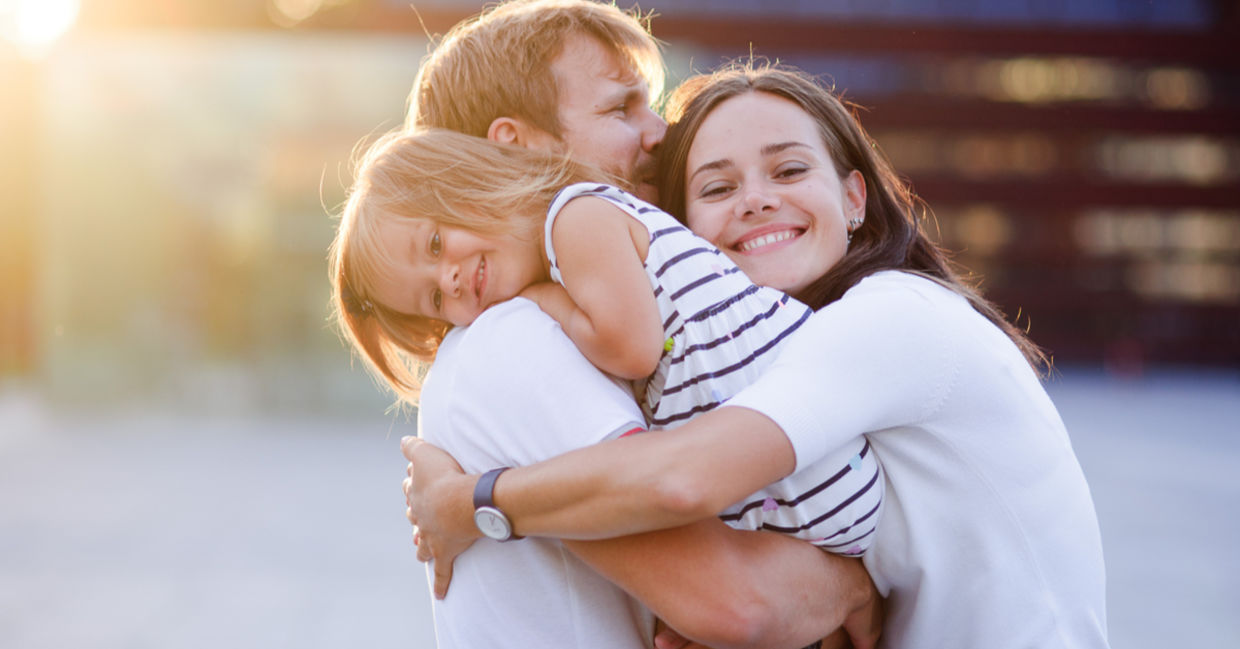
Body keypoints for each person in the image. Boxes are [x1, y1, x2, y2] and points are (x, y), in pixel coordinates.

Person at [403, 63, 1111, 649]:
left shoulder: (893, 316)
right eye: (715, 187)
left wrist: (468, 501)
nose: (756, 201)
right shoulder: (770, 349)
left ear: (854, 196)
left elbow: (682, 481)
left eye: (790, 169)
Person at [352, 1, 885, 647]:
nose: (659, 133)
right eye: (620, 109)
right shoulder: (516, 340)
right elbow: (741, 601)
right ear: (515, 145)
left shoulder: (599, 294)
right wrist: (855, 584)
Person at [334, 126, 886, 551]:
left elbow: (633, 350)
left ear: (469, 178)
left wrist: (544, 302)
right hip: (810, 487)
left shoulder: (576, 219)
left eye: (434, 244)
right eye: (434, 300)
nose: (449, 280)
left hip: (820, 480)